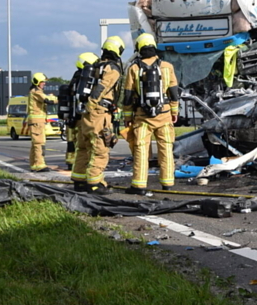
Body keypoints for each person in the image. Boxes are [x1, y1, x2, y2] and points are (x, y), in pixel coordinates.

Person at [122, 33, 180, 195]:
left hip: (142, 117)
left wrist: (127, 117)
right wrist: (174, 111)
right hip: (164, 115)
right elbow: (174, 93)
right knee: (166, 148)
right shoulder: (167, 67)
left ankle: (139, 185)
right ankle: (167, 183)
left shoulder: (134, 68)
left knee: (141, 149)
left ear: (139, 48)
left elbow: (127, 96)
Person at [70, 37, 124, 192]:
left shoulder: (95, 66)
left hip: (86, 115)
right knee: (100, 150)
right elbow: (103, 87)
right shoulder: (111, 69)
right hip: (99, 113)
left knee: (83, 148)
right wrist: (94, 104)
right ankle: (94, 184)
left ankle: (79, 181)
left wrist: (88, 107)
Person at [64, 52, 99, 170]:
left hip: (72, 115)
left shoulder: (75, 78)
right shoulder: (85, 79)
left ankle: (72, 163)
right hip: (81, 116)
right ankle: (86, 166)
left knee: (73, 143)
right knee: (84, 144)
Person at [26, 72, 55, 172]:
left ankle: (34, 164)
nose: (44, 84)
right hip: (37, 122)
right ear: (37, 82)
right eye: (42, 82)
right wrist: (58, 98)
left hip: (37, 121)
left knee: (35, 144)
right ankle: (39, 165)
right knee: (39, 143)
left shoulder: (35, 91)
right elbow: (48, 100)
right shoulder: (36, 92)